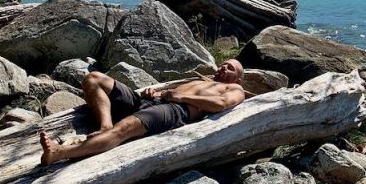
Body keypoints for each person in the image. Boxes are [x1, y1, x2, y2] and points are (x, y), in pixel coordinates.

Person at [39, 58, 246, 165]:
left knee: (125, 128)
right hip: (151, 102)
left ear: (238, 79)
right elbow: (172, 92)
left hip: (176, 111)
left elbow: (220, 103)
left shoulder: (235, 89)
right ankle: (105, 125)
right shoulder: (201, 80)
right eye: (222, 65)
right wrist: (153, 92)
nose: (222, 68)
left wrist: (179, 97)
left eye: (229, 68)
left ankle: (60, 154)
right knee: (93, 78)